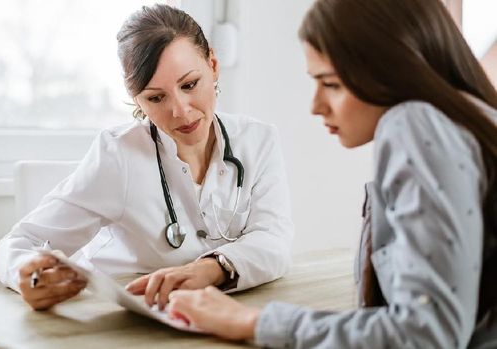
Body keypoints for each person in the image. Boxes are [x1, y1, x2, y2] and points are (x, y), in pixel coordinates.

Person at [166, 0, 497, 347]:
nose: (316, 106)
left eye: (332, 84)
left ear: (393, 68)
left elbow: (426, 334)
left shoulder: (413, 124)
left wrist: (255, 321)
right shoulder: (472, 119)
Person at [0, 4, 293, 312]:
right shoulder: (118, 155)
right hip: (118, 320)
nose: (181, 111)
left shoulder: (258, 140)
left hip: (209, 318)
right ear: (137, 99)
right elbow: (16, 245)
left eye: (190, 84)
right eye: (155, 97)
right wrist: (26, 274)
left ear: (213, 65)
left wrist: (211, 269)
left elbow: (274, 240)